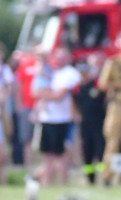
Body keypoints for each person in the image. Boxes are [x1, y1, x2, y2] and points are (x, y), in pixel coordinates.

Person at [38, 48, 80, 186]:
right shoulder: (53, 73)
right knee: (47, 152)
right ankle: (47, 180)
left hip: (61, 118)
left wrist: (45, 96)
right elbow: (37, 91)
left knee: (60, 152)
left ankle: (63, 180)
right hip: (47, 117)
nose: (59, 60)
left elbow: (60, 95)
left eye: (63, 57)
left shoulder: (70, 73)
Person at [98, 37, 121, 186]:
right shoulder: (114, 63)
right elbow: (103, 84)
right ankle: (107, 177)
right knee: (112, 141)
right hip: (118, 105)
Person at [74, 55, 106, 184]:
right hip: (85, 123)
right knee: (87, 150)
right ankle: (90, 177)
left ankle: (103, 177)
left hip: (99, 122)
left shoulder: (97, 85)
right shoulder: (78, 88)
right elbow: (73, 102)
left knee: (100, 149)